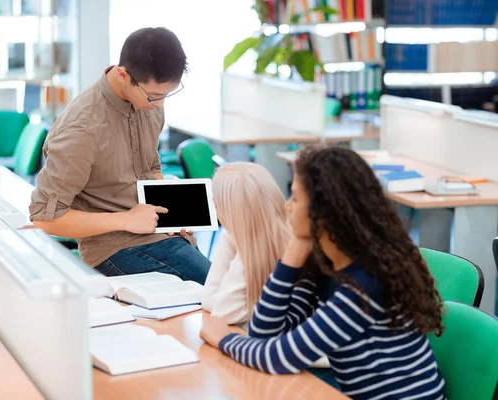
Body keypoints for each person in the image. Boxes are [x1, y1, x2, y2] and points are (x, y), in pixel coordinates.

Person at [200, 145, 446, 400]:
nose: (287, 207)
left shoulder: (365, 283)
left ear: (323, 212)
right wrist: (294, 253)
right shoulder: (326, 266)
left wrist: (224, 339)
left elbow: (280, 357)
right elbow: (264, 334)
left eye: (295, 198)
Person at [29, 27, 211, 284]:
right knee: (224, 292)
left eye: (166, 96)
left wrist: (175, 214)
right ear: (123, 74)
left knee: (227, 287)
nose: (159, 105)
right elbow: (45, 219)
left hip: (161, 234)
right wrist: (126, 220)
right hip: (114, 247)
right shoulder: (82, 128)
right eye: (154, 96)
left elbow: (151, 164)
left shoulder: (148, 102)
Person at [202, 162, 292, 328]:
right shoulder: (233, 234)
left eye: (216, 205)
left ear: (230, 210)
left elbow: (223, 314)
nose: (216, 211)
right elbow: (209, 298)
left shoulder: (293, 245)